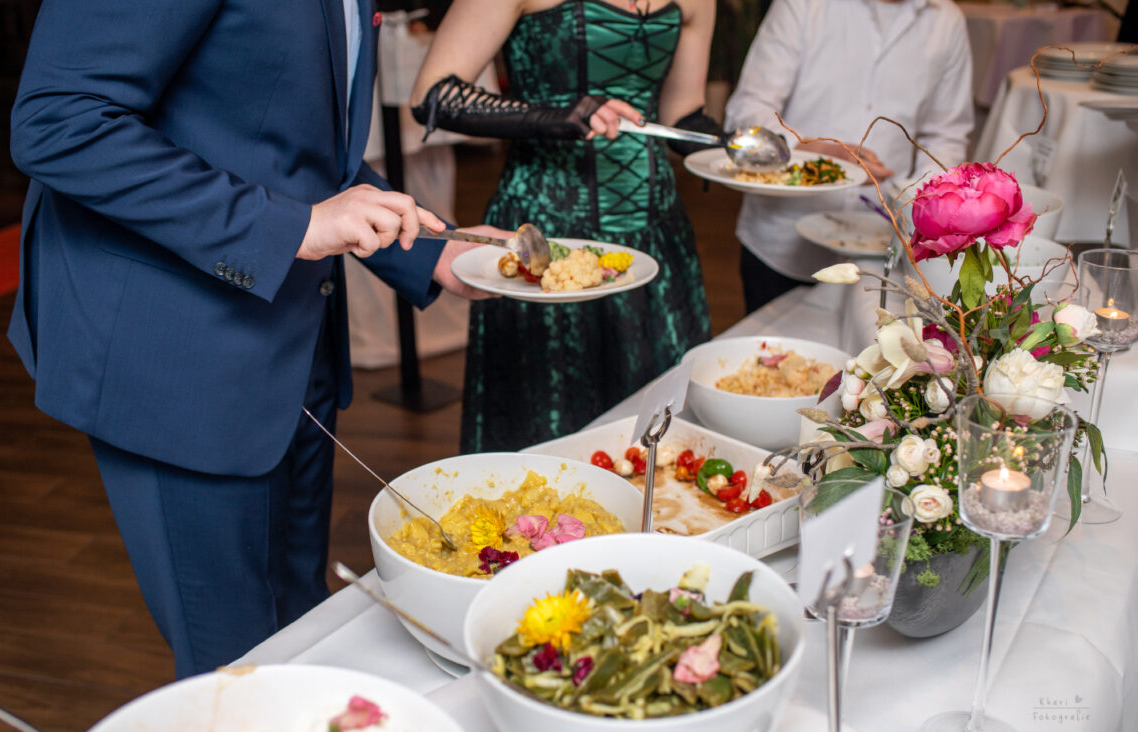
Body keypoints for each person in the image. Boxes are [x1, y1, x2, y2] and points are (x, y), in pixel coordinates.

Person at [7, 0, 496, 678]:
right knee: (235, 669)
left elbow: (291, 149)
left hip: (290, 336)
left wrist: (436, 250)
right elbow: (59, 121)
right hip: (177, 351)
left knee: (303, 629)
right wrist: (291, 230)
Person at [411, 0, 718, 454]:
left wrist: (730, 146)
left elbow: (680, 113)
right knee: (548, 431)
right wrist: (553, 115)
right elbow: (434, 95)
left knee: (657, 430)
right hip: (546, 243)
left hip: (655, 233)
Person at [725, 0, 974, 314]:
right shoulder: (803, 5)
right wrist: (818, 153)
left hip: (881, 246)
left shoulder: (946, 21)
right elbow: (748, 111)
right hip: (782, 238)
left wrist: (920, 207)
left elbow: (945, 135)